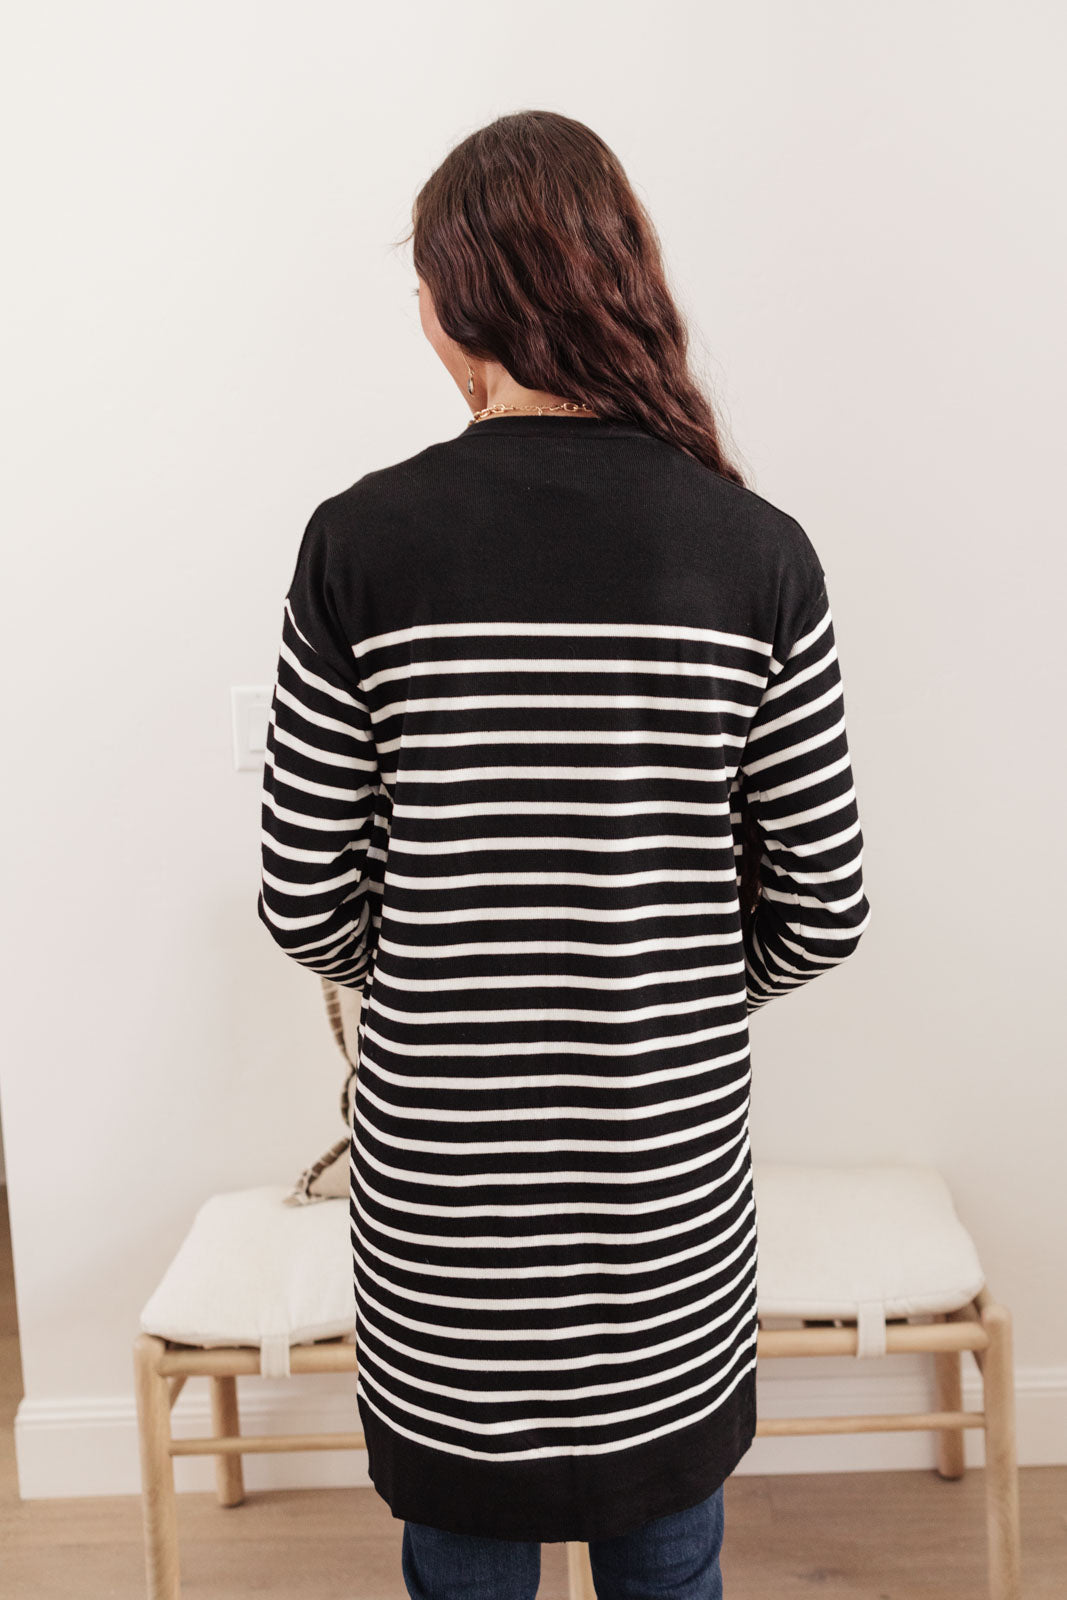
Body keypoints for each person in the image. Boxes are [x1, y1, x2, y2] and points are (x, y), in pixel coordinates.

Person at [257, 109, 872, 1600]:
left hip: (448, 1209)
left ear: (457, 302)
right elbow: (824, 908)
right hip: (662, 1189)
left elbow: (304, 899)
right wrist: (665, 984)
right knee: (670, 1560)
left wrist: (447, 964)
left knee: (462, 1558)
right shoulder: (757, 553)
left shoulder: (358, 544)